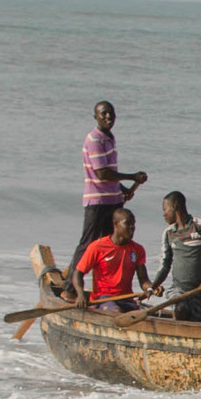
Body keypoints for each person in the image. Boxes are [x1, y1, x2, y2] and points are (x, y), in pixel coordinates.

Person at [63, 101, 149, 301]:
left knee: (111, 246)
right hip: (97, 201)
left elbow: (111, 175)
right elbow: (102, 174)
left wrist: (123, 189)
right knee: (89, 244)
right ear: (96, 117)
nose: (108, 117)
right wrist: (131, 177)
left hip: (112, 200)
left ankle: (109, 292)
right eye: (103, 114)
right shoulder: (94, 139)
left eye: (111, 114)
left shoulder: (110, 138)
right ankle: (69, 288)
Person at [149, 191, 201, 322]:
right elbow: (165, 265)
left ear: (175, 207)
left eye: (165, 209)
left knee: (198, 323)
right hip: (178, 290)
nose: (164, 214)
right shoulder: (168, 233)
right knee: (180, 309)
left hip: (200, 292)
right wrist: (152, 287)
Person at [71, 208, 153, 312]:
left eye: (133, 224)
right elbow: (78, 273)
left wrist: (152, 288)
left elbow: (144, 280)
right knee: (116, 311)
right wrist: (80, 294)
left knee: (145, 315)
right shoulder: (97, 247)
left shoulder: (138, 249)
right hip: (103, 299)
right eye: (127, 224)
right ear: (115, 224)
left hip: (127, 299)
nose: (132, 227)